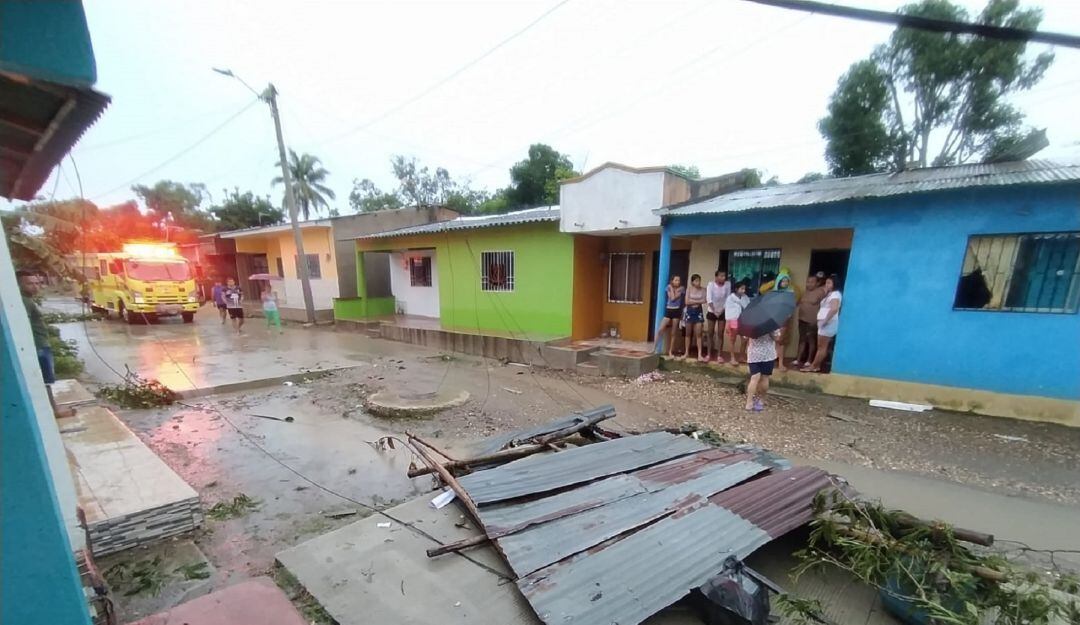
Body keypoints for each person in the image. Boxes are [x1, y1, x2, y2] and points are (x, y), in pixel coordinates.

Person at [17, 270, 76, 418]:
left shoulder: (28, 300)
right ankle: (54, 410)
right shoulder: (24, 301)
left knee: (44, 380)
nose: (35, 287)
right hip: (38, 346)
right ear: (18, 284)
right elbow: (24, 324)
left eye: (37, 283)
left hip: (41, 344)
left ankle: (51, 408)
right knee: (45, 380)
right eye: (29, 283)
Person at [803, 274, 842, 373]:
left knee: (822, 347)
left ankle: (813, 366)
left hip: (827, 324)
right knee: (821, 346)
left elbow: (834, 309)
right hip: (823, 323)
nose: (826, 285)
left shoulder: (835, 295)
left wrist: (825, 321)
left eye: (829, 283)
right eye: (826, 283)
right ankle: (817, 366)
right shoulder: (829, 294)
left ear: (834, 284)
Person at [793, 274, 825, 368]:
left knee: (811, 340)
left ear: (817, 283)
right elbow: (798, 303)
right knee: (802, 339)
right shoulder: (805, 292)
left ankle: (809, 360)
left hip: (812, 321)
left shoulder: (820, 292)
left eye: (812, 282)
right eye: (808, 282)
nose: (809, 284)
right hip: (802, 319)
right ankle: (798, 359)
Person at [745, 328, 780, 411]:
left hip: (753, 354)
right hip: (768, 354)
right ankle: (761, 400)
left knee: (754, 377)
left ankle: (749, 402)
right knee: (765, 377)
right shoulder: (772, 324)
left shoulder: (751, 323)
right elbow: (777, 338)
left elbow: (745, 337)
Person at [704, 270, 730, 363]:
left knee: (720, 333)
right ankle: (708, 354)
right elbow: (709, 298)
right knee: (710, 333)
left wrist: (721, 310)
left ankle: (719, 355)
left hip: (722, 311)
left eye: (724, 276)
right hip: (712, 311)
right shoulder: (711, 285)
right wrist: (715, 311)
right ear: (716, 277)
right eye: (721, 276)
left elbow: (728, 298)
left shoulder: (727, 285)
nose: (723, 277)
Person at [771, 271, 795, 372]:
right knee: (773, 341)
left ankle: (780, 363)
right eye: (783, 281)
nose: (785, 283)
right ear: (778, 282)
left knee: (781, 342)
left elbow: (790, 308)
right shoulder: (773, 293)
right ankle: (771, 361)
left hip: (783, 320)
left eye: (787, 281)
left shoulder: (790, 293)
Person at [657, 275, 684, 359]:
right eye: (676, 280)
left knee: (673, 332)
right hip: (669, 310)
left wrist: (671, 288)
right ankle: (654, 348)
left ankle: (670, 351)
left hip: (676, 310)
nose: (677, 282)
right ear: (672, 281)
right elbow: (670, 297)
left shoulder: (682, 288)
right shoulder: (668, 287)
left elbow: (673, 298)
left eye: (678, 280)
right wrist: (671, 288)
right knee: (660, 329)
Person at [724, 281, 750, 364]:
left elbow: (748, 308)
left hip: (743, 321)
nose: (743, 291)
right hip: (733, 320)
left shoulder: (746, 298)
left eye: (744, 289)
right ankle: (732, 358)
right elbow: (728, 311)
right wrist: (727, 323)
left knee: (745, 340)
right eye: (742, 289)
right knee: (732, 340)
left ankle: (741, 357)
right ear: (736, 289)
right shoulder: (730, 298)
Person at [683, 274, 707, 361]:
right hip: (689, 311)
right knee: (688, 333)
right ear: (692, 282)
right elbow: (686, 301)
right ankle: (686, 352)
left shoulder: (703, 289)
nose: (698, 282)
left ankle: (699, 354)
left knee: (699, 333)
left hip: (698, 312)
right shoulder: (689, 289)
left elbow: (705, 300)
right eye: (696, 281)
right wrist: (697, 302)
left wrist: (692, 301)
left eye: (699, 280)